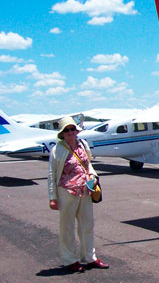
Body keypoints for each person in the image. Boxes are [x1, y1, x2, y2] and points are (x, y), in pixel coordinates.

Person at [48, 116, 109, 273]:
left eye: (72, 129)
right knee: (67, 226)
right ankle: (70, 260)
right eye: (66, 130)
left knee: (87, 224)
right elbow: (51, 174)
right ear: (62, 133)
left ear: (76, 131)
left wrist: (93, 177)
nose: (70, 132)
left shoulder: (83, 144)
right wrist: (52, 197)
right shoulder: (57, 150)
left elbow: (88, 164)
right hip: (66, 191)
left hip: (85, 190)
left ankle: (89, 257)